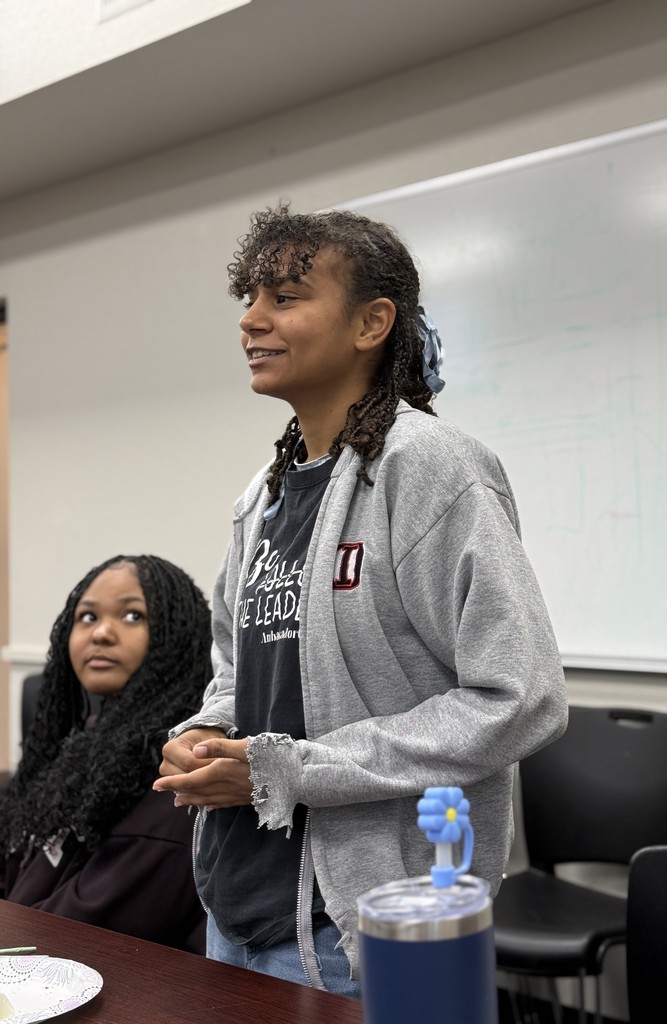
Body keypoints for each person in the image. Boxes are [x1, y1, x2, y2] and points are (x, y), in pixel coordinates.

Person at [154, 205, 568, 995]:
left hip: (366, 926)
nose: (251, 320)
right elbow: (238, 676)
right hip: (239, 906)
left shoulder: (433, 469)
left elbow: (523, 698)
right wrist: (206, 734)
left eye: (285, 297)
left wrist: (293, 769)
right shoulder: (262, 499)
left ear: (372, 322)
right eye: (250, 297)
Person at [0, 554, 212, 953]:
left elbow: (79, 935)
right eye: (87, 617)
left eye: (133, 616)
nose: (101, 634)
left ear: (179, 636)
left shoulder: (180, 767)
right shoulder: (90, 738)